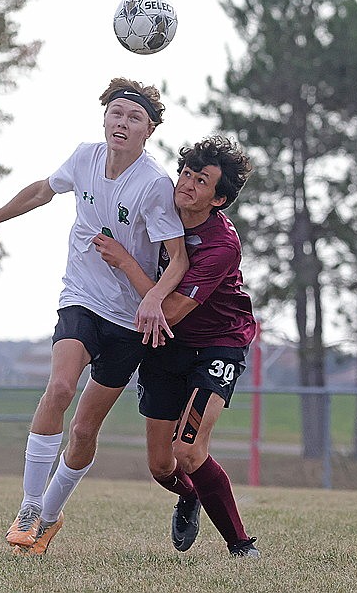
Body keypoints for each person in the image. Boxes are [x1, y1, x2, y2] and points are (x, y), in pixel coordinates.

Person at [0, 77, 189, 556]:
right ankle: (28, 506)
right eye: (117, 114)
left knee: (85, 430)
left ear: (148, 131)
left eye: (134, 118)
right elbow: (43, 191)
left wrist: (152, 300)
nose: (122, 123)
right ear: (104, 118)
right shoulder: (84, 157)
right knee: (60, 388)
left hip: (128, 321)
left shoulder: (154, 186)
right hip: (81, 299)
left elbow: (179, 258)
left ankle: (49, 516)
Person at [93, 134, 260, 558]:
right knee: (161, 466)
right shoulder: (159, 207)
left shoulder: (221, 245)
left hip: (217, 346)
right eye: (185, 173)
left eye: (200, 181)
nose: (185, 184)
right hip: (164, 348)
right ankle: (190, 495)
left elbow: (169, 311)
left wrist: (125, 261)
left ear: (218, 200)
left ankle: (240, 545)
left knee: (186, 450)